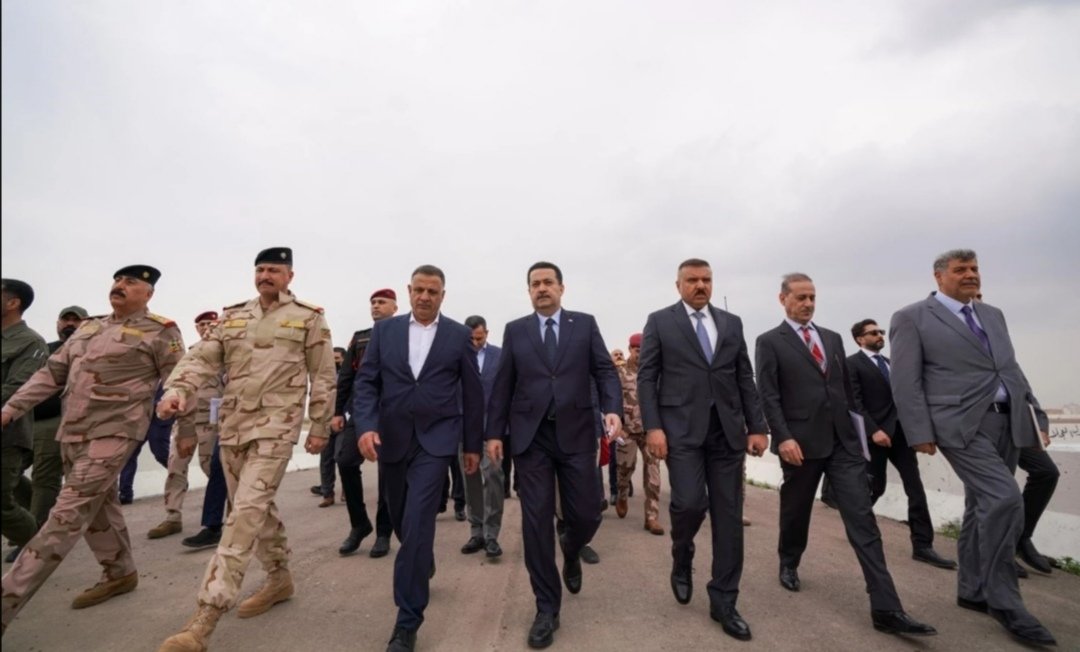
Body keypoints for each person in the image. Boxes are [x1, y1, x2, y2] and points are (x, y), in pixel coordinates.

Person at [155, 247, 336, 652]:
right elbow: (202, 357)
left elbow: (323, 375)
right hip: (233, 426)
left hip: (277, 426)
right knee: (250, 507)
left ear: (289, 276)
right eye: (260, 269)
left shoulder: (309, 317)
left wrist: (320, 425)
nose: (265, 275)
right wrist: (177, 390)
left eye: (274, 270)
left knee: (245, 513)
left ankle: (205, 617)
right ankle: (279, 576)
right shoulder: (233, 316)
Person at [1, 265, 186, 635]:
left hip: (115, 433)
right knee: (101, 505)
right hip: (73, 433)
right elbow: (50, 375)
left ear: (148, 293)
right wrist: (10, 409)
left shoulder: (161, 330)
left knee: (65, 516)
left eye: (131, 282)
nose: (120, 285)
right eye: (117, 280)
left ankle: (6, 602)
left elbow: (180, 376)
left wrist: (178, 408)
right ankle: (120, 573)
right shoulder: (89, 328)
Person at [890, 250, 1055, 646]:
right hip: (959, 424)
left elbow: (1011, 368)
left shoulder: (992, 315)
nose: (971, 275)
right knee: (1004, 498)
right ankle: (1005, 602)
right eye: (961, 269)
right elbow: (905, 380)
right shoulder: (912, 317)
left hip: (1008, 420)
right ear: (939, 276)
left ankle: (971, 590)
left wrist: (1036, 415)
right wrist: (918, 431)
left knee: (980, 504)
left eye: (975, 269)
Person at [755, 272, 934, 637]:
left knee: (863, 520)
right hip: (801, 446)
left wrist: (859, 437)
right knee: (796, 513)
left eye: (812, 297)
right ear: (783, 299)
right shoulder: (770, 341)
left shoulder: (832, 338)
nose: (808, 303)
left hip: (843, 445)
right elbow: (769, 394)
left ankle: (886, 607)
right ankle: (789, 560)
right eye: (801, 297)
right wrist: (783, 437)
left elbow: (846, 394)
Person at [486, 261, 622, 649]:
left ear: (562, 288)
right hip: (532, 439)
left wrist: (611, 408)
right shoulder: (516, 330)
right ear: (528, 291)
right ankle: (547, 607)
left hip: (577, 433)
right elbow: (503, 384)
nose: (542, 288)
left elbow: (605, 371)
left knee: (588, 513)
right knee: (535, 522)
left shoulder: (585, 325)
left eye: (548, 282)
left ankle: (572, 547)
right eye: (535, 284)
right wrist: (494, 432)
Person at [353, 264, 484, 652]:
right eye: (419, 290)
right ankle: (420, 557)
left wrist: (471, 445)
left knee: (419, 519)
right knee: (400, 519)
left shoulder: (458, 336)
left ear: (443, 295)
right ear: (409, 291)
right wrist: (365, 426)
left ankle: (407, 621)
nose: (425, 297)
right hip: (392, 439)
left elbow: (473, 393)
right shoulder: (385, 332)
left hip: (436, 441)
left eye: (433, 291)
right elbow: (367, 382)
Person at [636, 259, 767, 641]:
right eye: (692, 280)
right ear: (678, 285)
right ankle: (682, 553)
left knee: (729, 517)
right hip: (681, 432)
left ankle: (724, 599)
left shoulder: (731, 323)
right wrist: (654, 427)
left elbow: (744, 375)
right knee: (689, 503)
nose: (700, 286)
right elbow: (647, 377)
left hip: (727, 433)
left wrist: (757, 426)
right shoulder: (660, 321)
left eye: (706, 280)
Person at [843, 318, 956, 570]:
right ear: (860, 339)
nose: (879, 335)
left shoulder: (891, 363)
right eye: (873, 333)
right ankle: (857, 525)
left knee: (914, 487)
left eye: (881, 331)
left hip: (902, 435)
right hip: (875, 437)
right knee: (876, 487)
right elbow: (854, 403)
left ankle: (923, 545)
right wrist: (873, 431)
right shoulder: (852, 364)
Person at [147, 311, 228, 545]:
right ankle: (172, 516)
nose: (205, 327)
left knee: (212, 470)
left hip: (212, 423)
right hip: (185, 420)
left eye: (210, 324)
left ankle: (231, 516)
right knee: (176, 468)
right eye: (201, 324)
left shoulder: (225, 354)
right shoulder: (189, 354)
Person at [332, 288, 399, 556]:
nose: (376, 306)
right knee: (345, 461)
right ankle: (359, 524)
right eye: (373, 302)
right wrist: (338, 411)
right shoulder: (360, 338)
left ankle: (384, 532)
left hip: (392, 411)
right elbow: (347, 377)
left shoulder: (403, 334)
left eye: (382, 302)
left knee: (388, 473)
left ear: (395, 307)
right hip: (361, 409)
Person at [1, 280, 50, 562]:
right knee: (12, 486)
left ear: (13, 303)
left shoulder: (31, 342)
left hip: (8, 434)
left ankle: (40, 548)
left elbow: (18, 388)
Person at [459, 315, 507, 558]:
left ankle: (491, 535)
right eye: (471, 339)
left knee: (493, 477)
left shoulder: (500, 356)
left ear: (486, 333)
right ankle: (476, 531)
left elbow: (507, 390)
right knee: (471, 479)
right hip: (465, 429)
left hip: (493, 430)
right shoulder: (457, 356)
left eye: (479, 338)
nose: (476, 343)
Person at [614, 332, 662, 535]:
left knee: (653, 475)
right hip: (627, 431)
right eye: (637, 350)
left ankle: (651, 517)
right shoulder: (620, 372)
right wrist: (617, 425)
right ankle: (622, 494)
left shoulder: (655, 373)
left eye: (644, 351)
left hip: (650, 431)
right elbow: (611, 399)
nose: (640, 354)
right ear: (630, 350)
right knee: (624, 470)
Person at [309, 347, 347, 507]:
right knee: (326, 460)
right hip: (325, 423)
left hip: (343, 423)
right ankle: (327, 494)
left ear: (344, 358)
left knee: (342, 457)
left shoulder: (347, 376)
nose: (334, 361)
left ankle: (347, 490)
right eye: (332, 358)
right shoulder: (323, 377)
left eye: (337, 358)